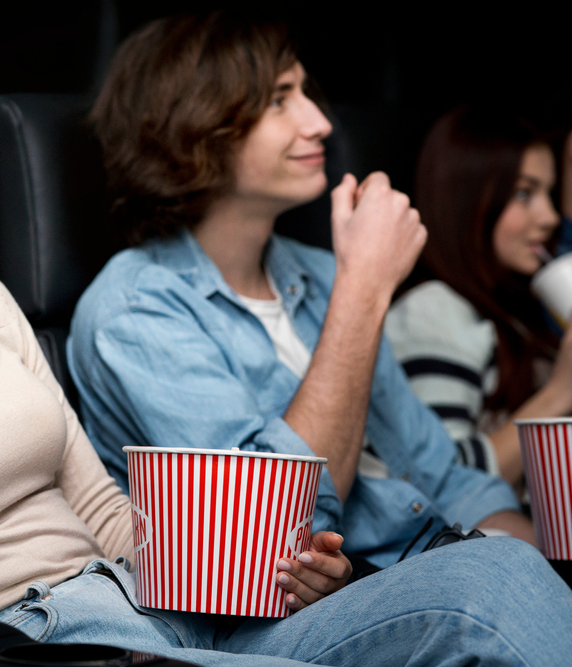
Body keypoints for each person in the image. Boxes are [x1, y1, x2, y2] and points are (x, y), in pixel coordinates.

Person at [0, 93, 572, 667]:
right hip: (45, 645)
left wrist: (264, 571)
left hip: (160, 609)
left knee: (502, 576)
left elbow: (99, 508)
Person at [67, 11, 536, 571]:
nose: (319, 122)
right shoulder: (134, 309)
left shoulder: (323, 272)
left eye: (306, 93)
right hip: (284, 613)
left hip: (438, 558)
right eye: (278, 100)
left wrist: (521, 551)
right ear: (196, 126)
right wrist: (364, 288)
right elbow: (269, 534)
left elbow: (442, 475)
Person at [386, 108, 572, 488]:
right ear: (468, 199)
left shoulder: (516, 308)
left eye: (549, 194)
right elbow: (441, 482)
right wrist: (559, 393)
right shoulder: (433, 311)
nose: (550, 216)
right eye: (524, 193)